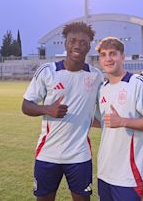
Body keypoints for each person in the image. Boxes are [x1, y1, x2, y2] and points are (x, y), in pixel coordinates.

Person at [22, 21, 104, 201]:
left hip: (79, 155)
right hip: (48, 153)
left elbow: (102, 109)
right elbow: (26, 105)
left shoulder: (96, 76)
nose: (77, 45)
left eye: (83, 42)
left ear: (89, 46)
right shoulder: (48, 71)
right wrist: (47, 109)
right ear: (65, 43)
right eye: (72, 40)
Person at [94, 37, 143, 201]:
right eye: (103, 55)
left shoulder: (138, 83)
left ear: (122, 57)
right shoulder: (102, 88)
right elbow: (104, 122)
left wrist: (123, 121)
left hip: (128, 175)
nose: (108, 59)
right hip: (104, 171)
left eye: (113, 54)